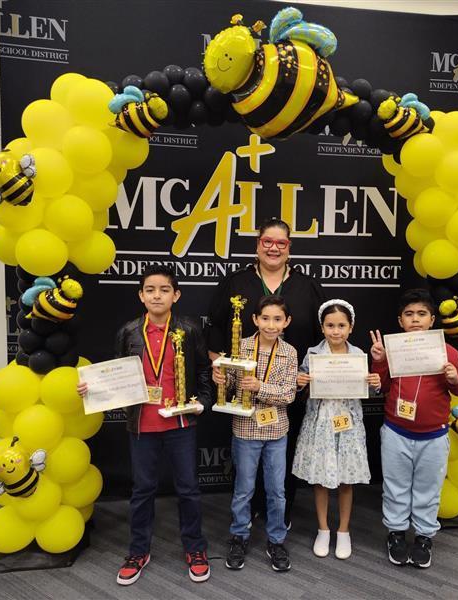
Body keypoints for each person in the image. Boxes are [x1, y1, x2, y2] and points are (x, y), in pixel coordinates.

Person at [78, 266, 212, 585]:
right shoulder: (129, 332)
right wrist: (93, 388)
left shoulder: (189, 330)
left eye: (164, 289)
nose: (157, 295)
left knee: (189, 490)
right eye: (150, 289)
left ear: (176, 295)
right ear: (141, 295)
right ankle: (138, 550)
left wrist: (203, 402)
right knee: (142, 491)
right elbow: (118, 375)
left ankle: (195, 548)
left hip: (181, 422)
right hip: (142, 425)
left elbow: (204, 371)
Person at [206, 217, 326, 526]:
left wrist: (308, 374)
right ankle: (250, 509)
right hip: (243, 389)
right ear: (258, 244)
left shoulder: (307, 285)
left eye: (281, 243)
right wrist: (220, 368)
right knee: (247, 456)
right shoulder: (236, 282)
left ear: (290, 248)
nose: (273, 248)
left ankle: (280, 511)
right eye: (267, 242)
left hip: (289, 390)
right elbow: (217, 329)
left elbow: (321, 338)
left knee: (281, 454)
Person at [369, 288, 458, 569]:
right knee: (396, 486)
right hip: (396, 432)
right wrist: (379, 360)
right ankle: (396, 533)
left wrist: (453, 377)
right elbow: (383, 385)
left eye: (421, 314)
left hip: (434, 435)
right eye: (409, 314)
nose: (415, 319)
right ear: (400, 321)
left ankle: (424, 536)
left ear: (432, 319)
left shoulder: (447, 351)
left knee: (428, 489)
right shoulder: (394, 349)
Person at [212, 295, 298, 572]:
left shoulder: (290, 352)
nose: (271, 325)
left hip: (276, 431)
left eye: (277, 319)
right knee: (243, 490)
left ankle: (276, 540)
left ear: (286, 322)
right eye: (265, 318)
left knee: (277, 491)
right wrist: (222, 379)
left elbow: (288, 395)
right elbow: (233, 385)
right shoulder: (242, 347)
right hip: (245, 430)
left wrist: (260, 387)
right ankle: (239, 536)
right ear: (255, 320)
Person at [292, 299, 380, 560]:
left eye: (341, 325)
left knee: (346, 478)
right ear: (322, 327)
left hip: (348, 423)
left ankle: (343, 531)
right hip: (319, 422)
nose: (336, 331)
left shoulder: (357, 355)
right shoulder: (313, 353)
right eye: (330, 325)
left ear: (350, 327)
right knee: (320, 478)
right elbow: (300, 384)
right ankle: (323, 529)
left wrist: (374, 382)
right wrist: (300, 381)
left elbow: (370, 388)